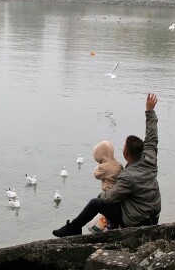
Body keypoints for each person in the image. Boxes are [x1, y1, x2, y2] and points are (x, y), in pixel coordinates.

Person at [53, 93, 161, 237]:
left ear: (125, 153)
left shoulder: (127, 177)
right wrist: (150, 110)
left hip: (139, 222)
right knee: (118, 198)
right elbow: (152, 135)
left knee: (95, 203)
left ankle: (73, 228)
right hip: (154, 216)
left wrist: (101, 195)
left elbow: (109, 198)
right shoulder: (150, 158)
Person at [87, 140, 125, 232]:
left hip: (108, 194)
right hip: (117, 196)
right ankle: (112, 226)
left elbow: (96, 175)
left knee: (106, 214)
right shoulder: (119, 165)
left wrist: (98, 166)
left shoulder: (103, 167)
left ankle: (109, 229)